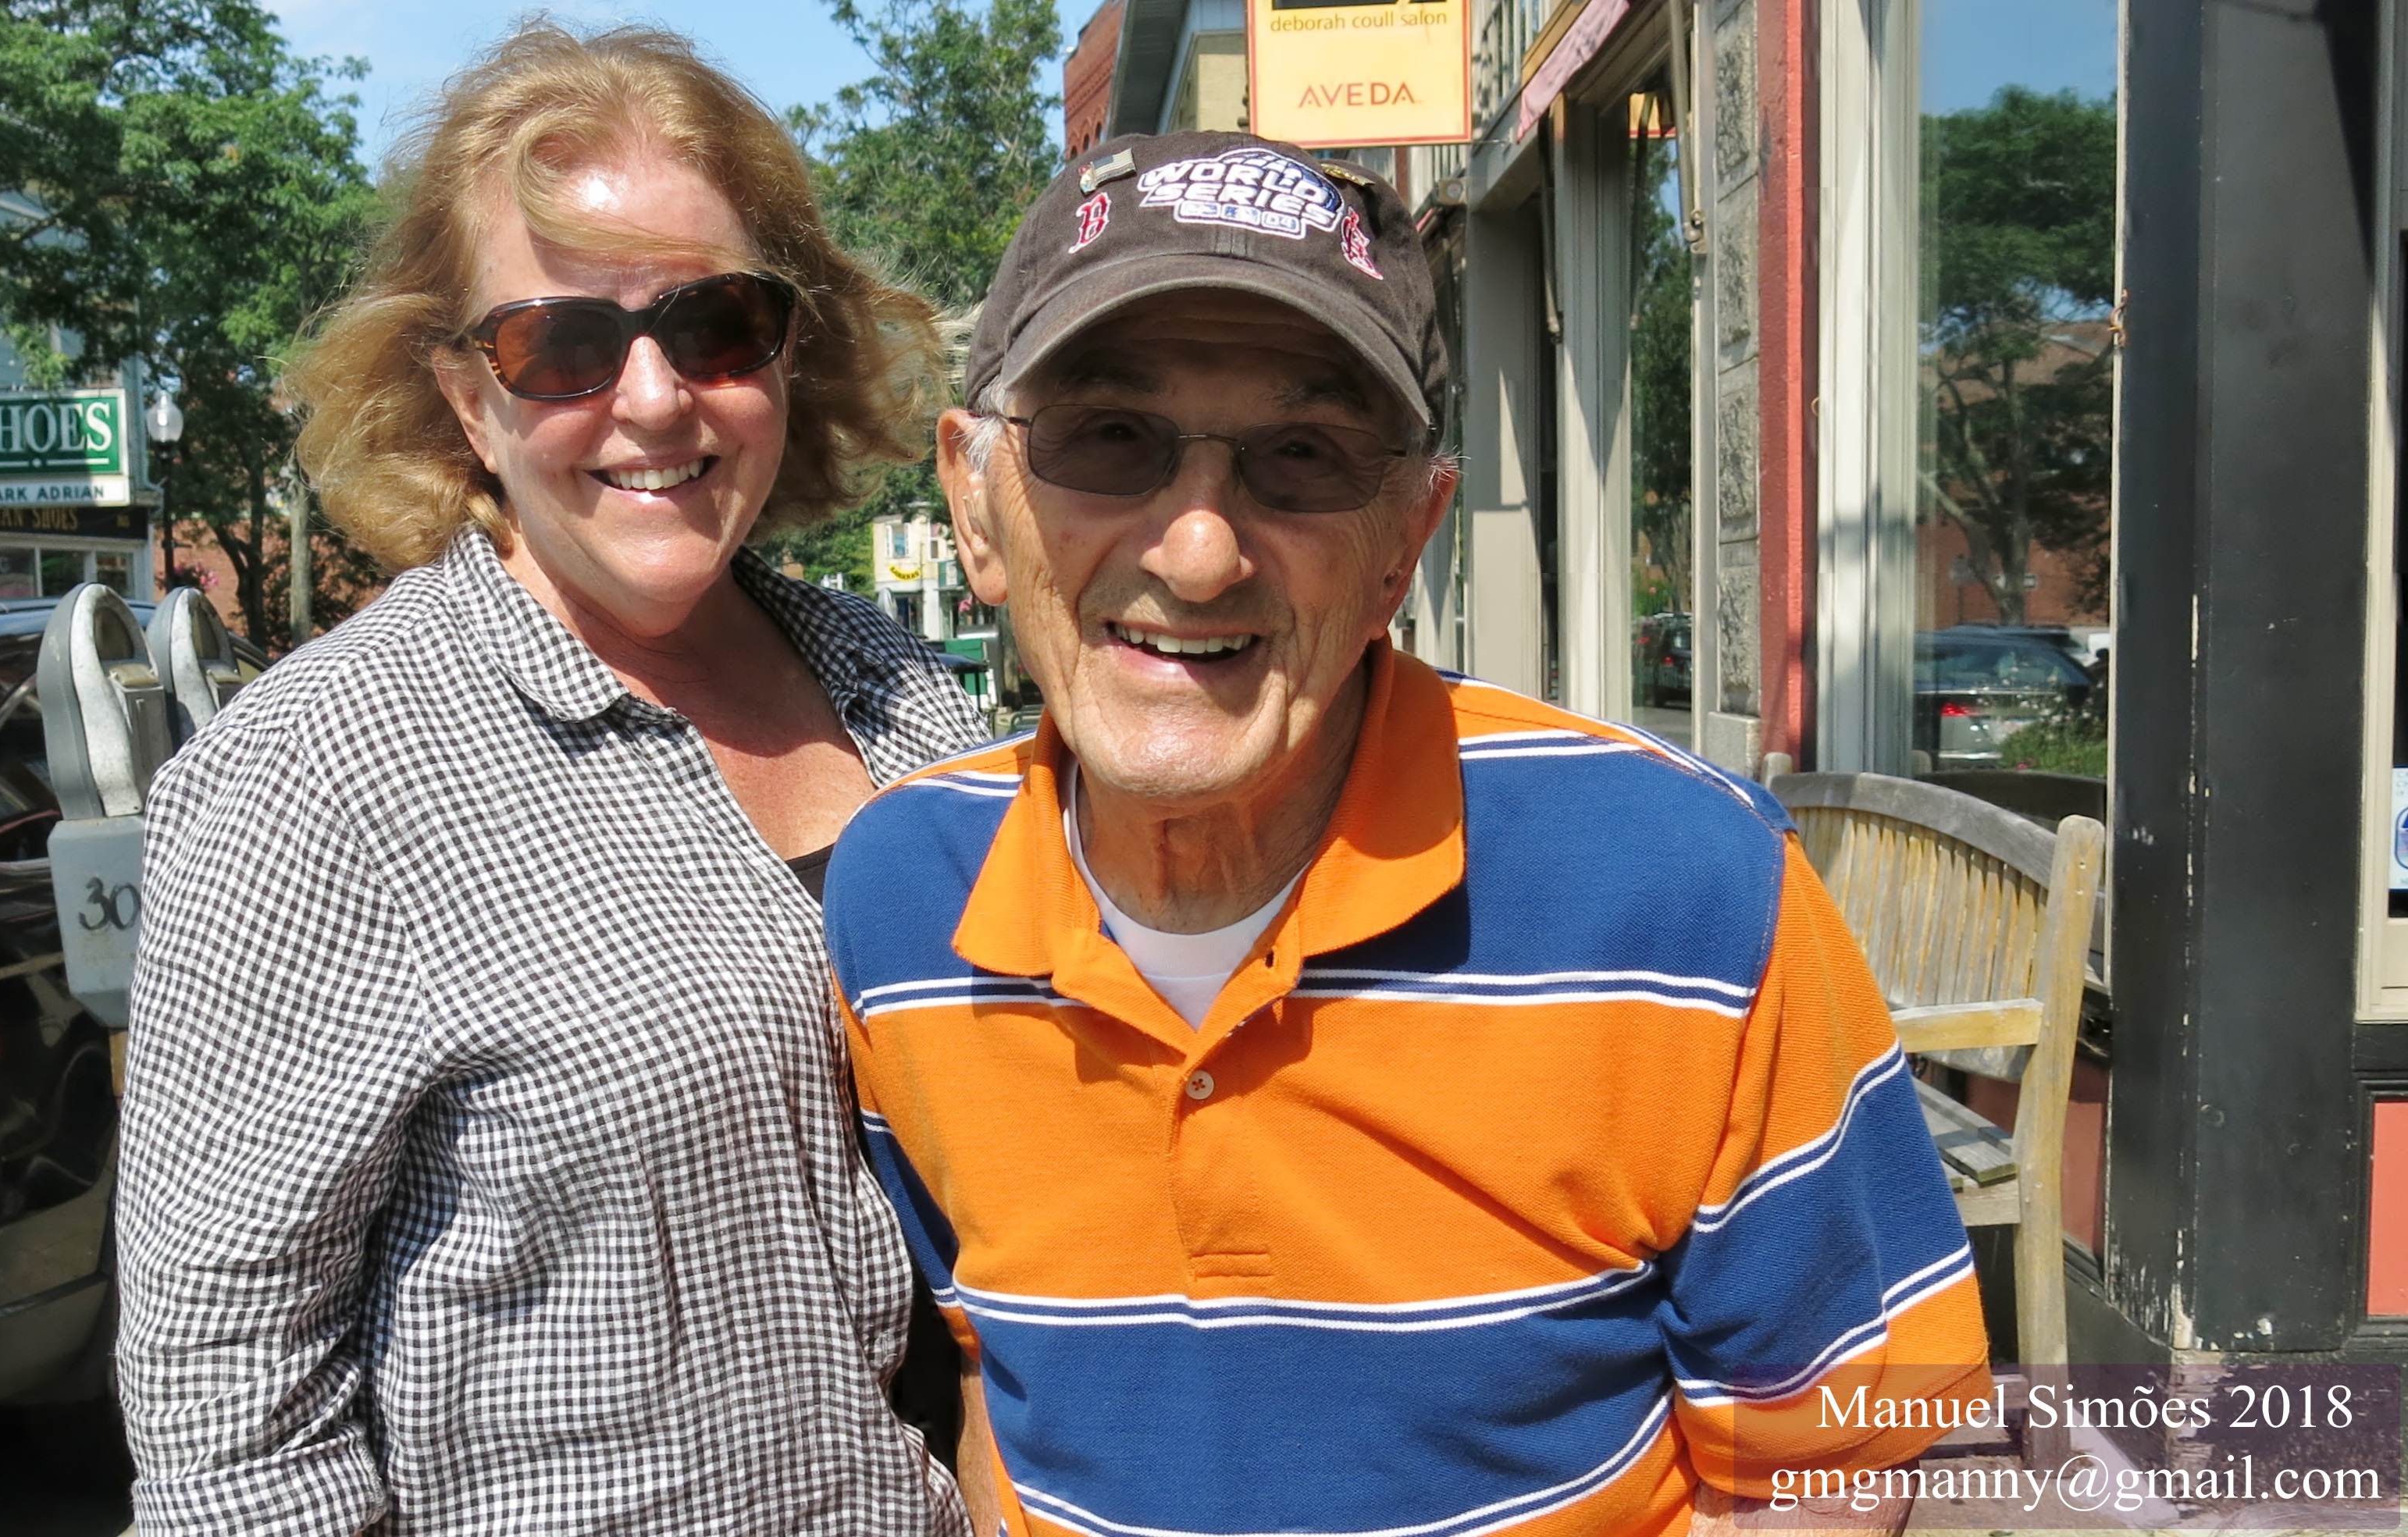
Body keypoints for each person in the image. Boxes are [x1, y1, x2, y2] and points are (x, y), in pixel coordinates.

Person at [824, 130, 1992, 1537]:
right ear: (975, 503)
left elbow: (1827, 1467)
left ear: (1407, 541)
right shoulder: (902, 901)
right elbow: (988, 1368)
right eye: (1108, 438)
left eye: (1303, 457)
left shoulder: (1687, 890)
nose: (1199, 551)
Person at [114, 24, 983, 1535]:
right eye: (564, 345)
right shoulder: (310, 782)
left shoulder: (904, 694)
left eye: (716, 323)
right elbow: (232, 1438)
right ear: (467, 397)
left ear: (789, 350)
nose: (653, 398)